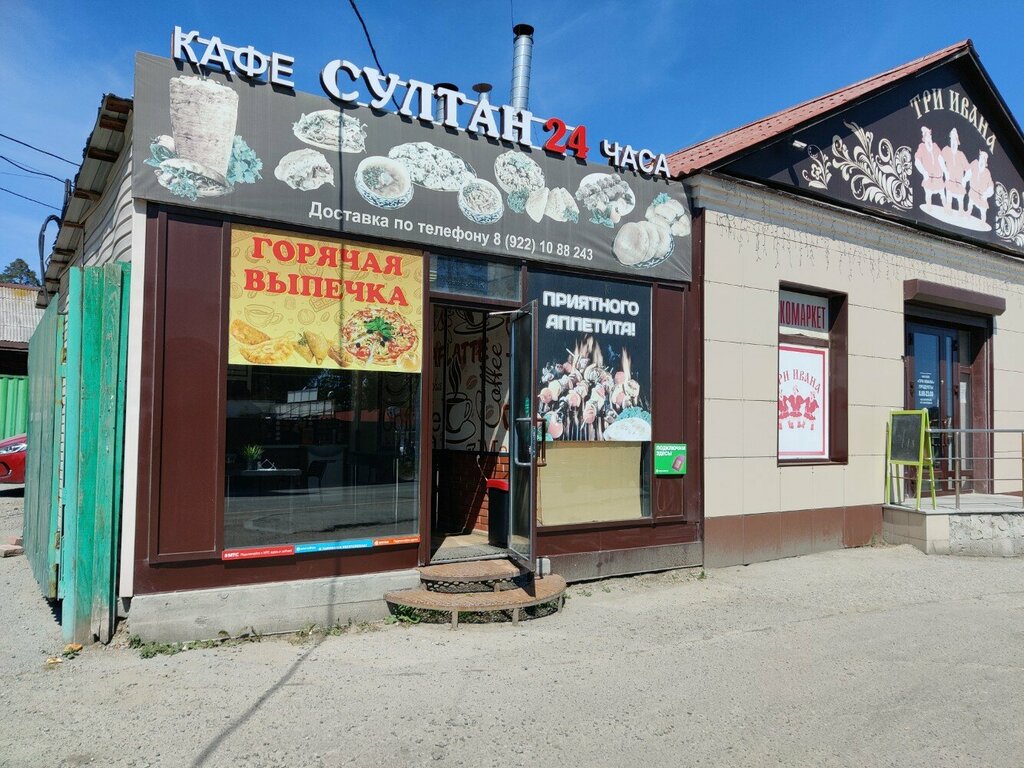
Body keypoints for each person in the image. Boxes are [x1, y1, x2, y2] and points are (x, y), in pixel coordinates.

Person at [914, 126, 946, 207]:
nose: (929, 137)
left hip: (938, 178)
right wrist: (923, 172)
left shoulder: (935, 146)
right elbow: (917, 161)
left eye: (930, 135)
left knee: (942, 194)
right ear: (924, 138)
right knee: (928, 195)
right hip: (929, 178)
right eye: (927, 136)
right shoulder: (922, 147)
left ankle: (946, 207)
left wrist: (945, 171)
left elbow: (940, 159)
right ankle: (928, 207)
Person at [941, 128, 970, 212]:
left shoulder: (961, 155)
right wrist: (945, 171)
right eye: (952, 139)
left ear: (957, 141)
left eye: (955, 139)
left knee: (960, 202)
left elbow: (969, 170)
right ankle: (948, 208)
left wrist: (965, 179)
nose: (953, 142)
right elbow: (940, 159)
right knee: (949, 199)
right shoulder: (946, 150)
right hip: (950, 182)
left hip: (959, 184)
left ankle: (961, 210)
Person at [967, 150, 994, 222]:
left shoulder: (987, 172)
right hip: (973, 192)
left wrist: (986, 194)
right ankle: (968, 213)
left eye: (983, 158)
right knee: (970, 203)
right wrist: (964, 180)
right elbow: (968, 173)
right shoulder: (974, 164)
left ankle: (983, 221)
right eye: (980, 157)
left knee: (983, 210)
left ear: (985, 161)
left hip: (981, 196)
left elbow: (990, 186)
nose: (981, 160)